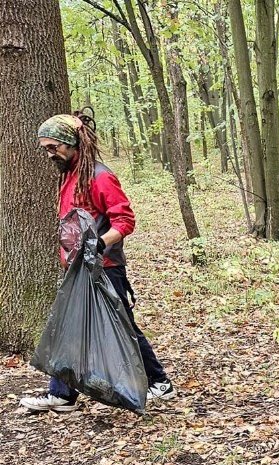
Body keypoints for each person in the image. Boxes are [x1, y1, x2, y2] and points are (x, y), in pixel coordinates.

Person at [20, 111, 177, 413]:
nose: (50, 154)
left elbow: (125, 220)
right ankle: (62, 394)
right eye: (46, 149)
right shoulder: (70, 175)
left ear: (72, 143)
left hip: (105, 268)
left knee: (122, 324)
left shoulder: (100, 176)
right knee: (72, 326)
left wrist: (98, 244)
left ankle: (159, 383)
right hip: (79, 269)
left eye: (54, 147)